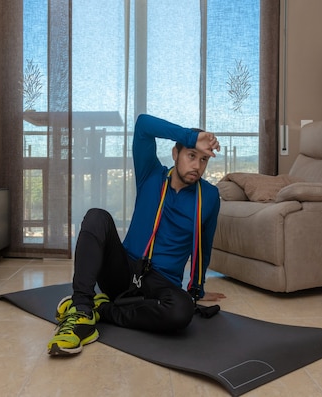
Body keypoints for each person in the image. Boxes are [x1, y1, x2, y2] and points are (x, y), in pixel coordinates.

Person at [47, 113, 225, 356]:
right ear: (176, 154)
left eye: (204, 159)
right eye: (191, 155)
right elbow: (143, 124)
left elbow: (204, 244)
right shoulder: (150, 174)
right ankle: (81, 307)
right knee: (97, 216)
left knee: (181, 312)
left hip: (162, 282)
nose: (197, 166)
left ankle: (100, 311)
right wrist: (192, 136)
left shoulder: (210, 197)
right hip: (124, 270)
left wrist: (197, 288)